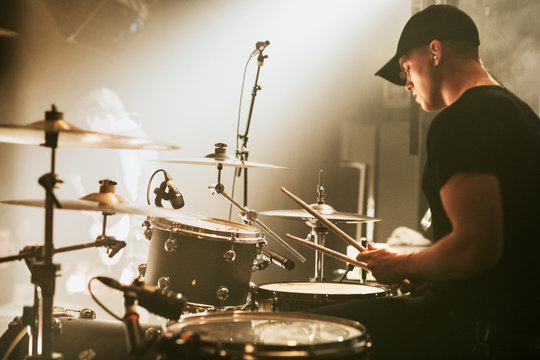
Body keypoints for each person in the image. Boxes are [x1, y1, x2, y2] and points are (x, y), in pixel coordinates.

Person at [307, 5, 539, 359]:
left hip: (468, 327)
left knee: (307, 332)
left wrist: (401, 264)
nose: (407, 85)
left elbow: (477, 246)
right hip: (513, 323)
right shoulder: (522, 115)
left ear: (435, 51)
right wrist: (431, 271)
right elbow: (511, 245)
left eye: (405, 68)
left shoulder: (461, 120)